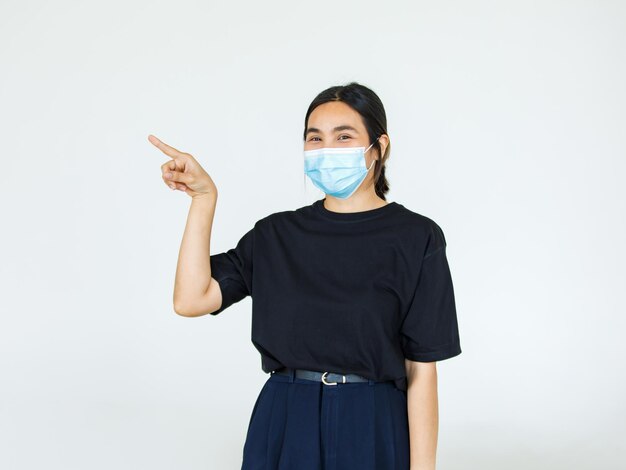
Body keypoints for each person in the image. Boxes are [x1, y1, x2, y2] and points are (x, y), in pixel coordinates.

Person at [148, 82, 462, 470]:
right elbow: (191, 299)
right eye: (315, 138)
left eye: (343, 136)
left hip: (373, 420)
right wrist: (203, 199)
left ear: (379, 147)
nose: (326, 149)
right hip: (285, 415)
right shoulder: (275, 235)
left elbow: (421, 369)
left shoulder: (416, 237)